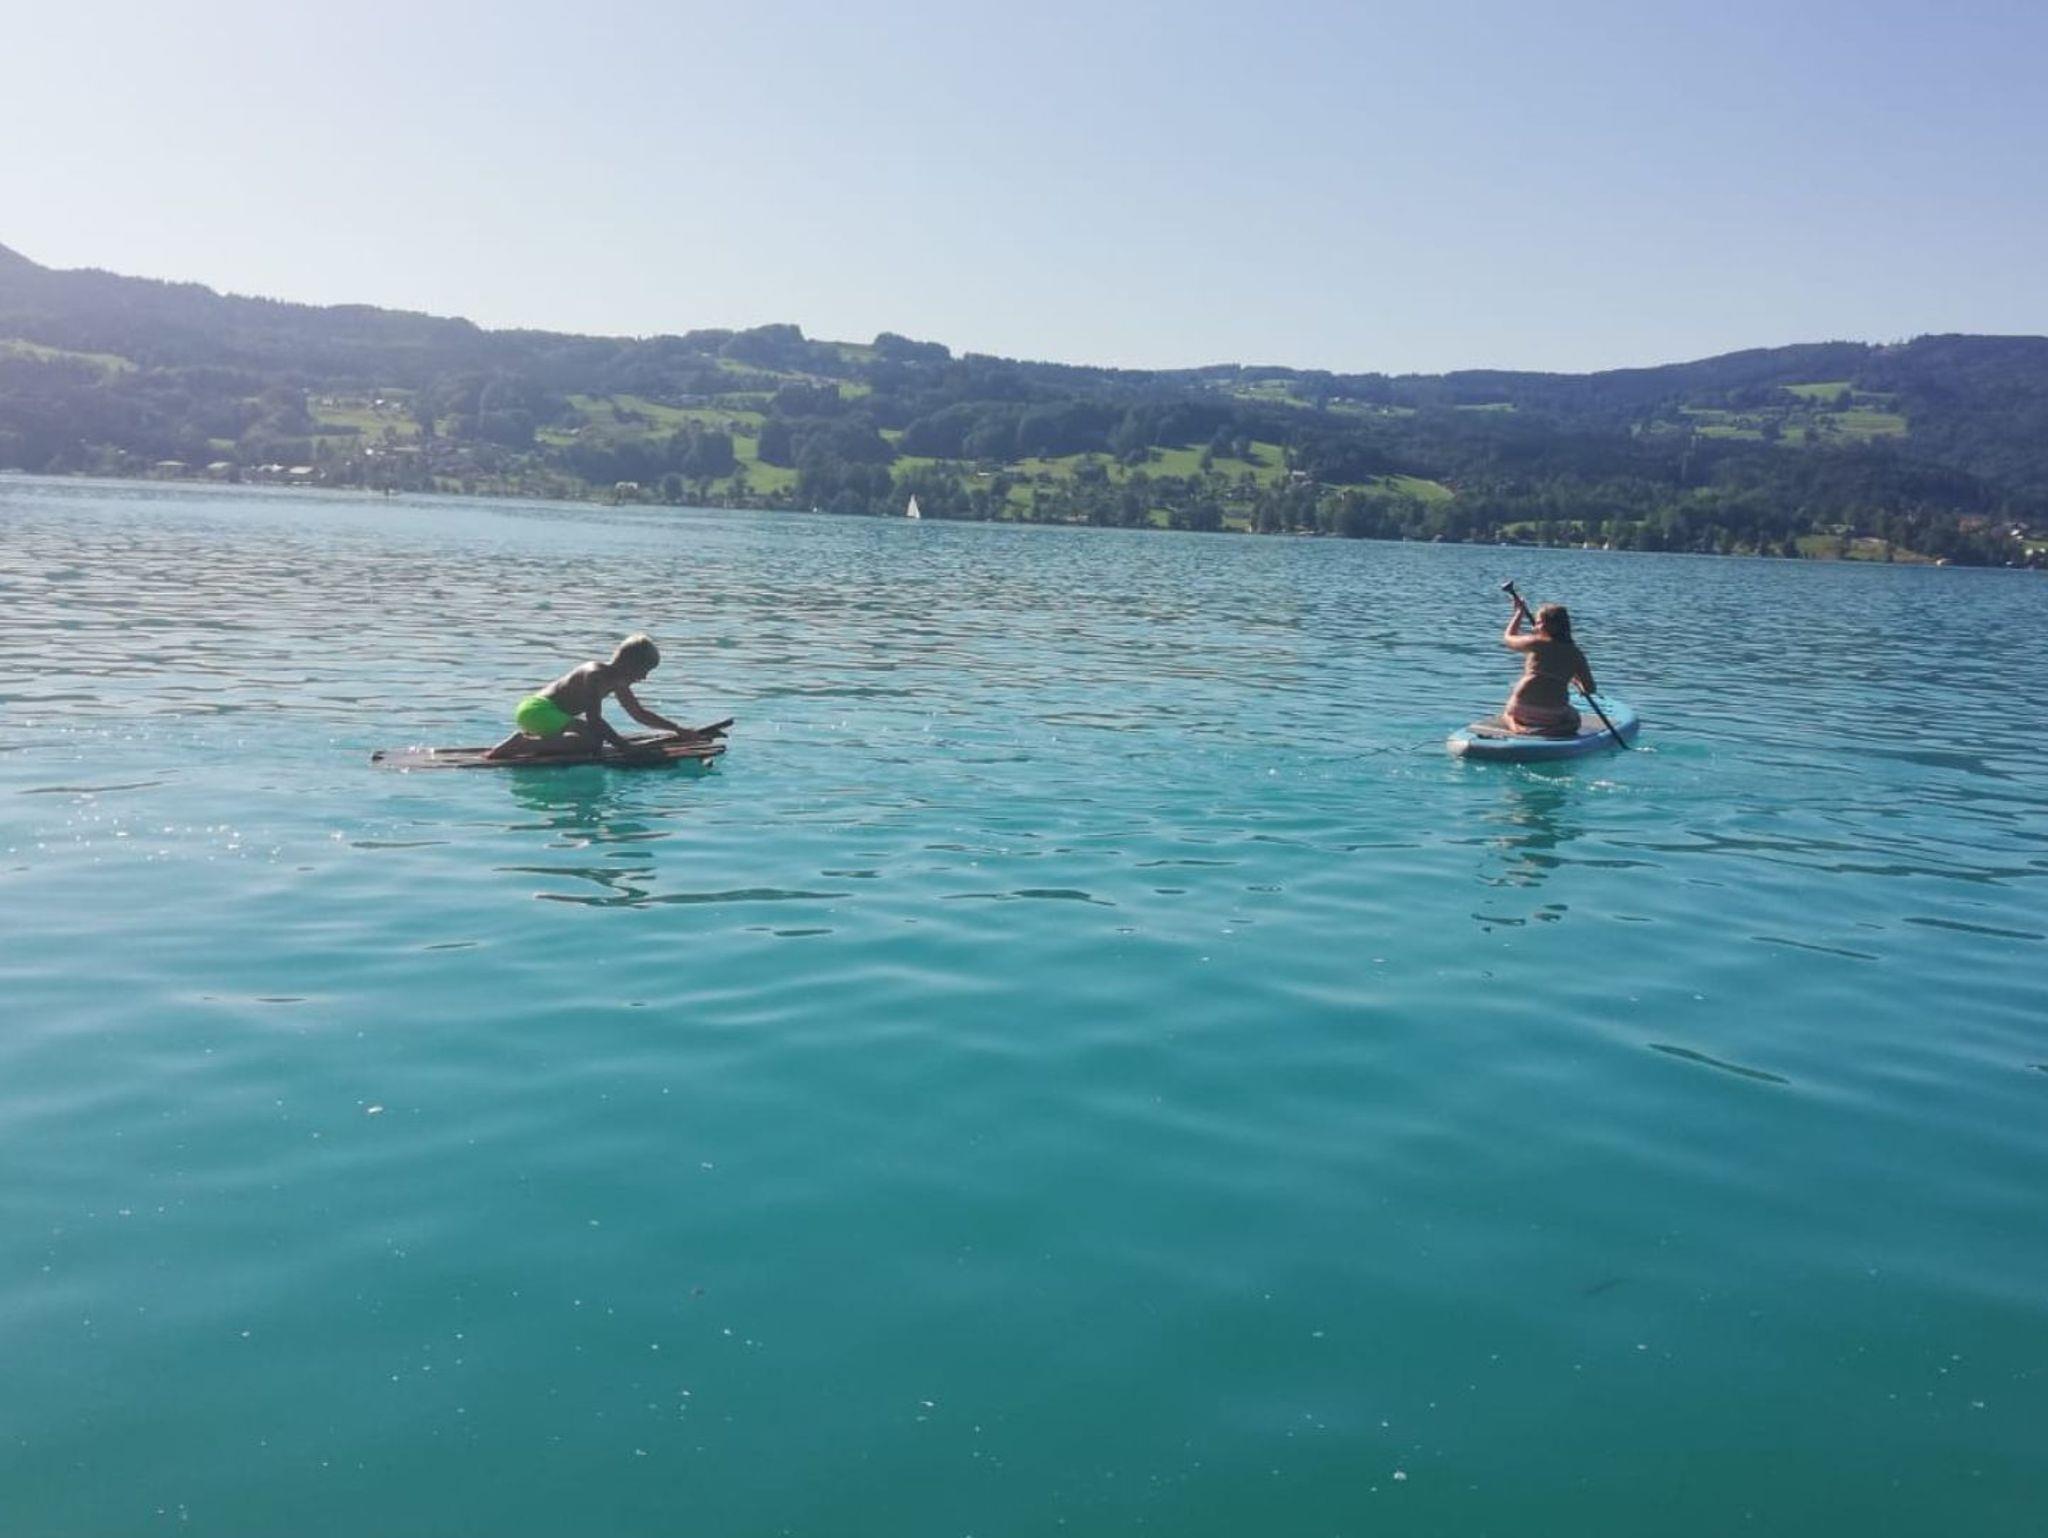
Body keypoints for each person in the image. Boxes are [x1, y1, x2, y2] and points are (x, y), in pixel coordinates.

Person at [484, 634, 700, 761]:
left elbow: (639, 713)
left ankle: (536, 740)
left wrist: (677, 729)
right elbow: (594, 720)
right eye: (643, 671)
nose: (644, 678)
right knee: (592, 741)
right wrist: (625, 747)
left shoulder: (619, 682)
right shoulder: (594, 674)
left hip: (548, 716)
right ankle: (524, 743)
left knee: (592, 739)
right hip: (538, 710)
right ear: (629, 664)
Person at [1500, 593, 1595, 735]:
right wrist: (1577, 682)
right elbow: (1590, 688)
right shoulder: (1576, 654)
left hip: (1520, 709)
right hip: (1552, 716)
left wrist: (1518, 613)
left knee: (1507, 712)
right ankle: (1549, 731)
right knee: (1575, 720)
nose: (1535, 626)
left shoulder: (1536, 643)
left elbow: (1508, 638)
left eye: (1539, 622)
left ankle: (1514, 724)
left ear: (1549, 626)